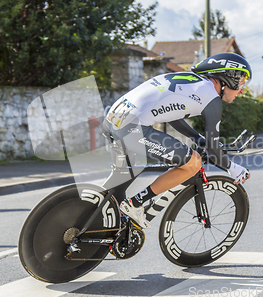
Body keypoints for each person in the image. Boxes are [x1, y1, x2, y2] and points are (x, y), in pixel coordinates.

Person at [103, 53, 252, 228]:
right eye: (241, 83)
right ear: (228, 78)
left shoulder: (191, 83)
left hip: (113, 119)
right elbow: (213, 149)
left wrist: (198, 138)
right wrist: (233, 168)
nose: (242, 90)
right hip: (131, 128)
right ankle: (135, 204)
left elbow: (172, 115)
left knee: (119, 184)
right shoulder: (211, 97)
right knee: (193, 163)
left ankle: (102, 210)